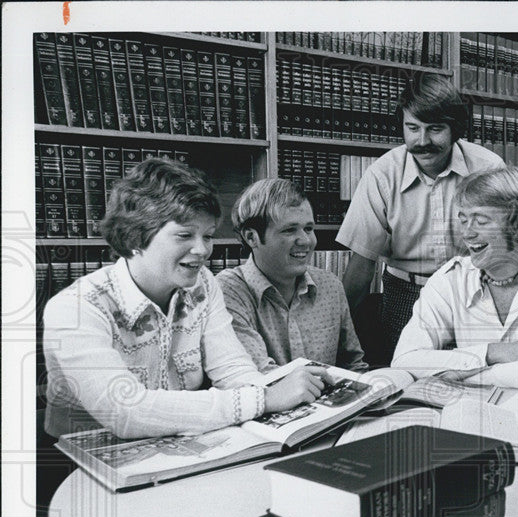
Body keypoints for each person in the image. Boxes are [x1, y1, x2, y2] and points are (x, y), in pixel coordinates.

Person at [43, 158, 328, 440]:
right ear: (134, 238)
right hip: (83, 466)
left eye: (208, 235)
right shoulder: (76, 308)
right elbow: (125, 413)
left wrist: (281, 402)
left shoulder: (203, 284)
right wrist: (263, 400)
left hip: (178, 450)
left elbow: (233, 370)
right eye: (184, 235)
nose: (203, 249)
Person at [336, 73, 504, 362]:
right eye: (412, 128)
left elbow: (509, 249)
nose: (422, 141)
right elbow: (362, 264)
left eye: (435, 129)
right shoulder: (382, 174)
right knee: (408, 380)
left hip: (475, 293)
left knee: (478, 376)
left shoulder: (489, 168)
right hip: (404, 296)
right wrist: (339, 333)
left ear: (455, 128)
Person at [390, 166, 518, 388]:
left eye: (481, 221)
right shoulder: (449, 279)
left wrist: (458, 374)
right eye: (463, 220)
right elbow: (404, 361)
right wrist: (490, 353)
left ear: (516, 222)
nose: (467, 233)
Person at [219, 178, 366, 372]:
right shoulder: (227, 291)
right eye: (289, 230)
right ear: (251, 237)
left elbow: (354, 366)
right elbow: (257, 376)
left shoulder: (330, 285)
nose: (306, 241)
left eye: (309, 228)